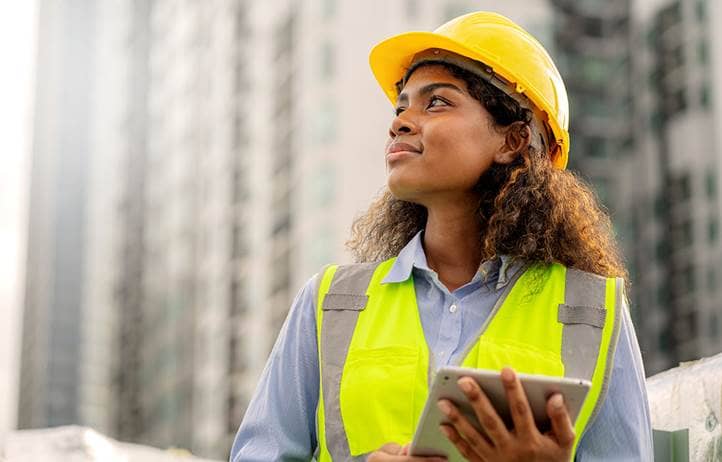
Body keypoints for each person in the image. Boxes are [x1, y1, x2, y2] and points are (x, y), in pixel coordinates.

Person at [230, 11, 652, 462]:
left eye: (436, 103)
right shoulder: (330, 303)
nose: (401, 122)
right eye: (401, 106)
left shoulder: (593, 312)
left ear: (511, 141)